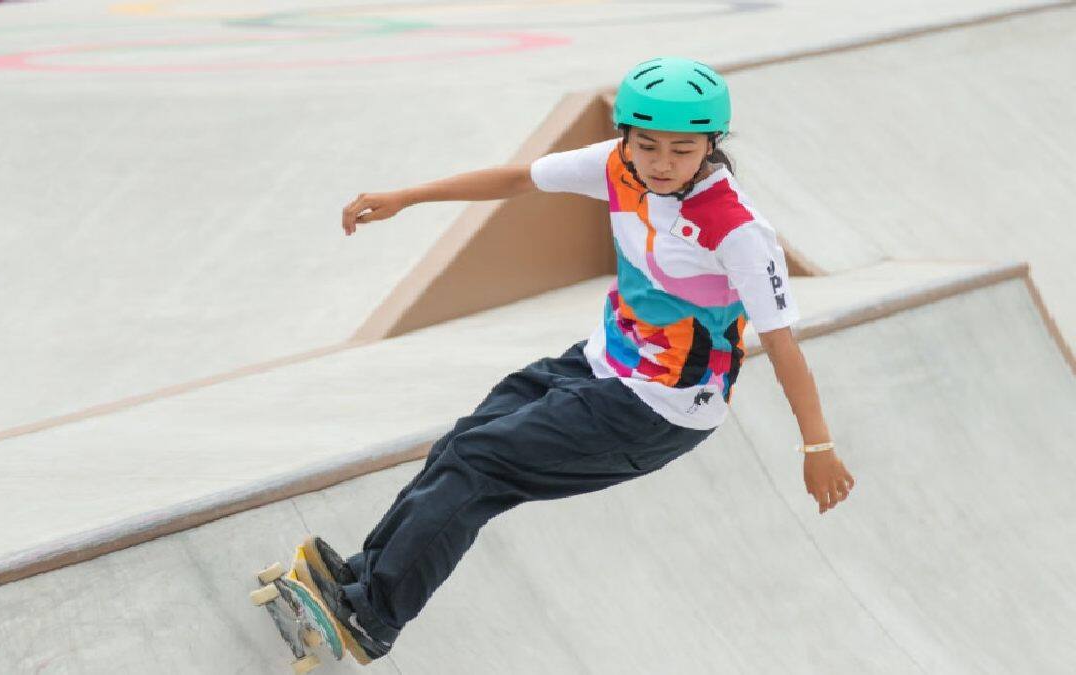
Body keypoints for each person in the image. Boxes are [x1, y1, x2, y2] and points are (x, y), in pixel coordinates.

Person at [298, 57, 856, 664]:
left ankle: (373, 614)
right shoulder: (617, 167)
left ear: (709, 146)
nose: (662, 164)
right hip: (597, 364)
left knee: (478, 461)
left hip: (659, 409)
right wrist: (408, 197)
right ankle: (363, 577)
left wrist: (818, 448)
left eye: (682, 150)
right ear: (626, 137)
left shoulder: (736, 230)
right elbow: (518, 180)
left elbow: (781, 346)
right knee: (466, 440)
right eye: (648, 146)